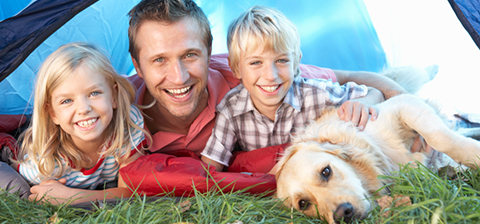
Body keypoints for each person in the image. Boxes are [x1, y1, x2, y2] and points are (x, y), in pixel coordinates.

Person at [126, 0, 406, 156]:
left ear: (209, 52)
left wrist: (391, 105)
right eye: (159, 60)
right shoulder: (116, 107)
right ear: (137, 66)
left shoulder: (252, 77)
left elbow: (353, 77)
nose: (179, 76)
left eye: (189, 55)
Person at [200, 5, 385, 172]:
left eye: (281, 61)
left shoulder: (315, 94)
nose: (271, 75)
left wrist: (363, 102)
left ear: (296, 63)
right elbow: (211, 167)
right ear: (236, 69)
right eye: (256, 62)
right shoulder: (231, 110)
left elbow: (373, 92)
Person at [14, 43, 149, 204]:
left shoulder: (128, 124)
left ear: (114, 96)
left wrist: (70, 197)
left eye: (94, 93)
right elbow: (40, 194)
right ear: (53, 114)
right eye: (67, 101)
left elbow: (130, 192)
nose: (84, 109)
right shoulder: (42, 163)